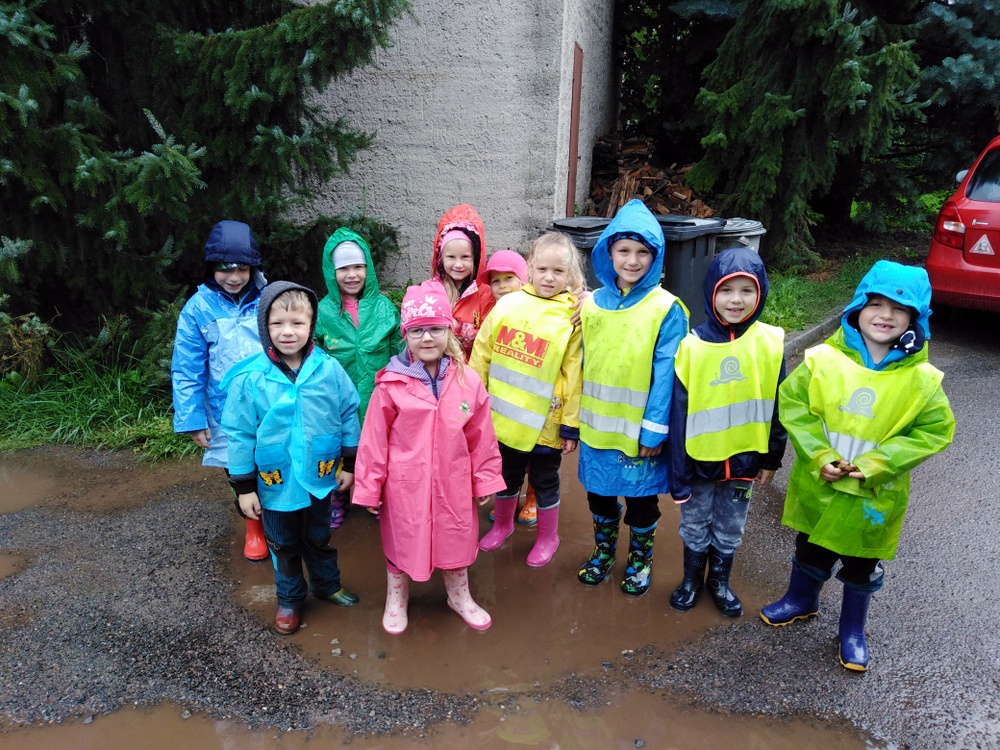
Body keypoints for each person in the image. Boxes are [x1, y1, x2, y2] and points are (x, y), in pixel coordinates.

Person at [760, 261, 955, 671]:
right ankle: (801, 599)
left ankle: (852, 629)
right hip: (822, 483)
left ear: (915, 319)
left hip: (873, 495)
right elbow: (794, 405)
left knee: (861, 563)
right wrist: (820, 456)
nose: (885, 315)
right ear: (857, 307)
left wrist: (876, 465)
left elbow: (935, 431)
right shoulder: (822, 359)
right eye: (876, 304)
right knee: (809, 546)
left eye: (899, 309)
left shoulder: (922, 380)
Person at [354, 280, 505, 634]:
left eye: (435, 329)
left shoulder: (468, 381)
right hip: (404, 486)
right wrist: (370, 488)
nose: (426, 338)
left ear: (448, 330)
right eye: (417, 330)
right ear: (405, 335)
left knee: (457, 536)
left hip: (454, 482)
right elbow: (374, 441)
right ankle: (397, 596)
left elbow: (481, 436)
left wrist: (484, 479)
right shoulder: (390, 385)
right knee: (403, 537)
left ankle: (459, 596)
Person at [220, 282, 362, 636]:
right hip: (276, 483)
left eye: (297, 323)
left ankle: (327, 585)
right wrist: (244, 487)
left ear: (311, 325)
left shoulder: (329, 369)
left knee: (319, 536)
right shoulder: (250, 378)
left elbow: (348, 413)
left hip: (320, 476)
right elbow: (239, 434)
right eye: (277, 323)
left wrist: (350, 465)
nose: (288, 332)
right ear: (263, 327)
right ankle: (290, 599)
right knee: (283, 544)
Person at [576, 199, 689, 596]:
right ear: (608, 252)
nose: (633, 260)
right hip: (596, 428)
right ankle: (604, 552)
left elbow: (667, 374)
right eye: (624, 250)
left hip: (640, 433)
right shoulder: (591, 304)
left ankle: (640, 560)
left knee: (641, 501)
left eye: (643, 252)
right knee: (599, 495)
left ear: (656, 257)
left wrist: (654, 432)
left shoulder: (666, 308)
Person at [667, 247, 787, 617]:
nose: (736, 300)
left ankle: (719, 581)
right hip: (700, 462)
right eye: (726, 290)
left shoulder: (770, 343)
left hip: (745, 462)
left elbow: (778, 406)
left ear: (760, 293)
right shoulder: (693, 346)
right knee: (695, 523)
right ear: (711, 292)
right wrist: (679, 474)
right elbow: (679, 413)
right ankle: (692, 579)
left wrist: (771, 458)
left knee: (731, 525)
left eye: (746, 290)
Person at [472, 232, 584, 566]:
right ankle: (503, 524)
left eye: (558, 271)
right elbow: (482, 354)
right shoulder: (508, 304)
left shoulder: (572, 314)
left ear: (570, 274)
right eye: (543, 269)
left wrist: (570, 425)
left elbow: (574, 373)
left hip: (545, 424)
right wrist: (473, 403)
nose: (549, 278)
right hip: (503, 420)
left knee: (544, 480)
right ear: (530, 268)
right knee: (506, 476)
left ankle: (548, 536)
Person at [171, 219, 269, 562]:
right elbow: (187, 368)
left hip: (270, 403)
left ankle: (281, 520)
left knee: (274, 460)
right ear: (211, 267)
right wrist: (193, 419)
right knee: (237, 467)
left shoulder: (268, 299)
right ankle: (253, 527)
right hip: (224, 410)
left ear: (253, 267)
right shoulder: (198, 309)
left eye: (242, 268)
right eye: (226, 268)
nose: (235, 277)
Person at [315, 228, 403, 528]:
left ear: (368, 269)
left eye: (358, 266)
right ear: (332, 272)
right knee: (339, 445)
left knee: (381, 445)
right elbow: (313, 354)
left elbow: (399, 351)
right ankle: (339, 495)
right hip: (337, 397)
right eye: (343, 268)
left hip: (378, 395)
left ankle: (377, 494)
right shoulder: (322, 312)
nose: (351, 275)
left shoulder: (384, 308)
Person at [482, 248, 539, 526]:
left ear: (523, 280)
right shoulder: (493, 313)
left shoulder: (537, 311)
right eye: (496, 281)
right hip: (503, 401)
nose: (502, 286)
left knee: (535, 458)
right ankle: (509, 499)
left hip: (534, 401)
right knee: (505, 455)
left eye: (509, 278)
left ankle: (533, 499)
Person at [430, 204, 492, 358]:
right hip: (438, 367)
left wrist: (459, 328)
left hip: (471, 368)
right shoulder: (431, 291)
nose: (458, 264)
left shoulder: (486, 295)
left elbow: (489, 340)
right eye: (451, 257)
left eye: (465, 257)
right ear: (441, 258)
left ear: (475, 259)